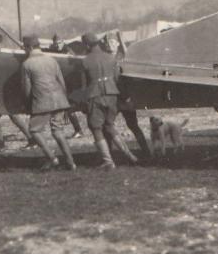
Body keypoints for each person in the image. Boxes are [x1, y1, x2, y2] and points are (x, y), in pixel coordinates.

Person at [81, 32, 138, 169]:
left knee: (96, 128)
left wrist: (84, 103)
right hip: (112, 95)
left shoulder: (85, 61)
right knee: (109, 125)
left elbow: (84, 86)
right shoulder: (111, 58)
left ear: (87, 45)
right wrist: (124, 97)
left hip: (96, 96)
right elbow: (118, 80)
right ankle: (130, 156)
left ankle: (108, 161)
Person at [20, 35, 77, 171]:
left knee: (34, 130)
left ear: (30, 47)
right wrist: (64, 99)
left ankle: (52, 158)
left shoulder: (27, 64)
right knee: (58, 132)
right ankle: (71, 163)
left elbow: (26, 89)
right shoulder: (52, 60)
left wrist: (28, 105)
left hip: (42, 101)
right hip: (59, 99)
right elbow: (61, 82)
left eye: (25, 48)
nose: (24, 51)